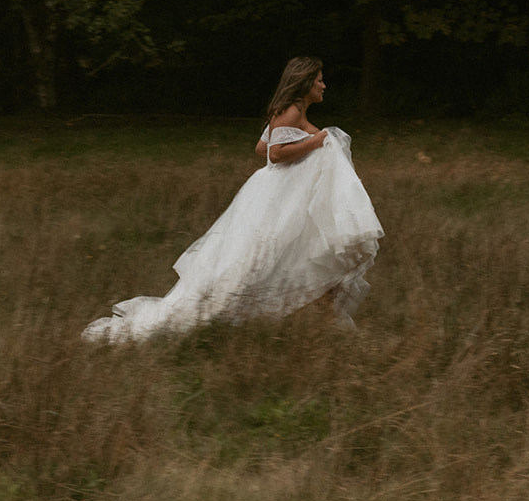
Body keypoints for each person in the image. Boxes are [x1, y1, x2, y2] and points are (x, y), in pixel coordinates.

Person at [83, 57, 383, 342]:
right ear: (305, 83)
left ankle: (331, 326)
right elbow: (273, 154)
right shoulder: (290, 110)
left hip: (278, 192)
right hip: (276, 197)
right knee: (256, 261)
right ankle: (211, 316)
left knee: (290, 256)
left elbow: (260, 147)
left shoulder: (291, 112)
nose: (324, 85)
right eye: (319, 80)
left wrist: (307, 147)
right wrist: (317, 141)